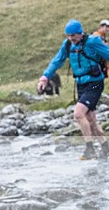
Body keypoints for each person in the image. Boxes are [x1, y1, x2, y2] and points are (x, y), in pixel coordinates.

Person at [37, 19, 109, 159]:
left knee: (78, 114)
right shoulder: (68, 45)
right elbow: (57, 61)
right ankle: (105, 145)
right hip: (81, 84)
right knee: (90, 119)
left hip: (95, 83)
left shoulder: (92, 41)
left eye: (74, 35)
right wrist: (45, 77)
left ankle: (89, 149)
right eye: (68, 35)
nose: (71, 38)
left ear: (80, 33)